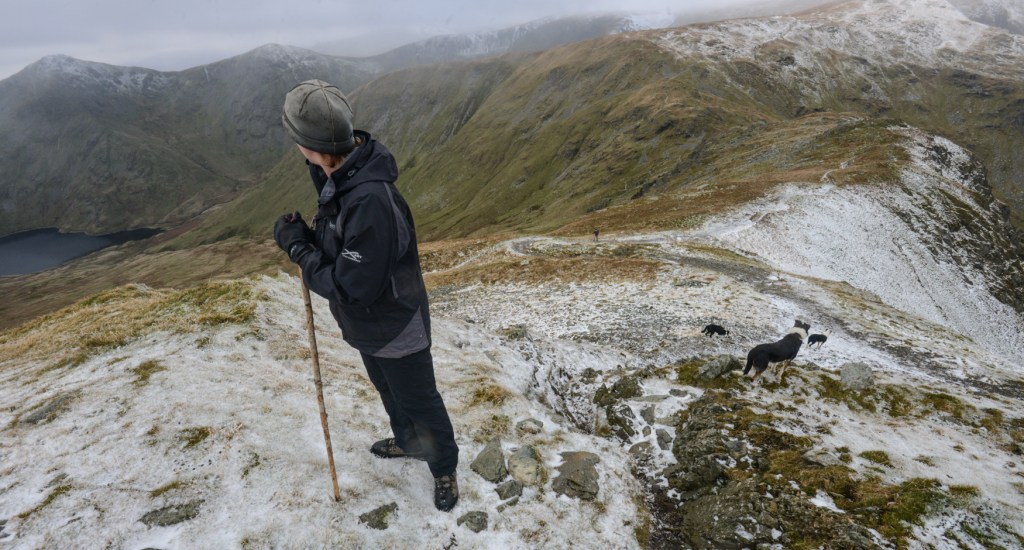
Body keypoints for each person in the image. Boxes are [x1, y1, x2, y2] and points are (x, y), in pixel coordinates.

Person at [273, 79, 459, 512]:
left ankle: (443, 466)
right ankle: (412, 443)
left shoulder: (370, 201)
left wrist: (299, 248)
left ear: (309, 144)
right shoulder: (342, 172)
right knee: (389, 392)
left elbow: (352, 286)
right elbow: (344, 252)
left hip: (394, 323)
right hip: (368, 325)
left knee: (418, 398)